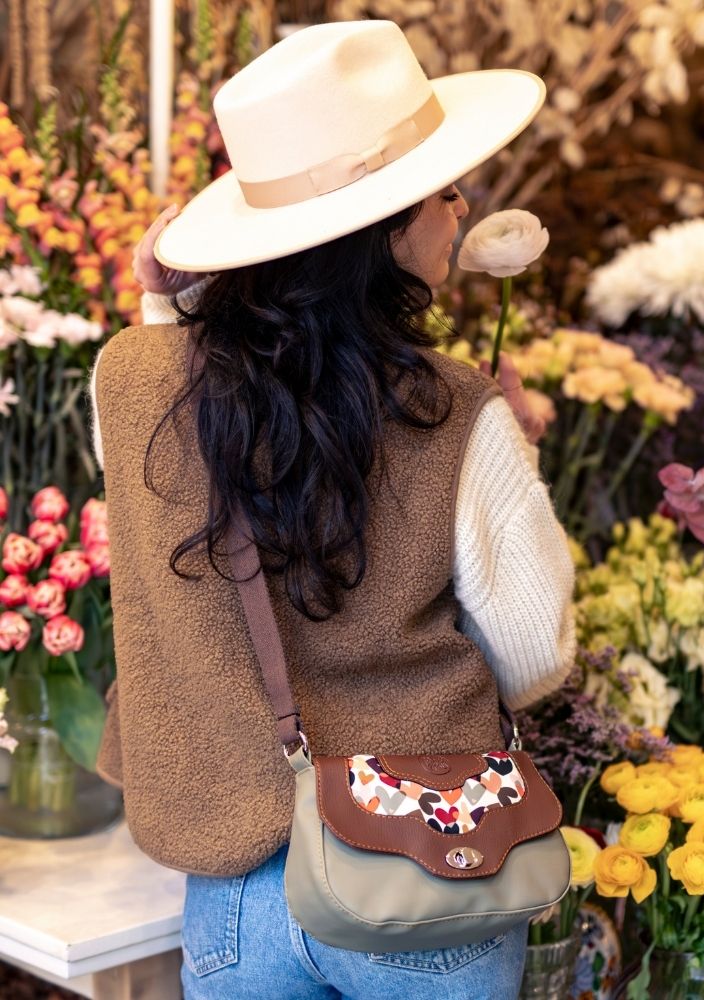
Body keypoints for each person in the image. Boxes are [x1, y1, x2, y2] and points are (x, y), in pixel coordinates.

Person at [89, 20, 575, 1000]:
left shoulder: (130, 381)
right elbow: (537, 656)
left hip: (232, 876)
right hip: (420, 865)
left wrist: (169, 304)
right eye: (443, 189)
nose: (463, 204)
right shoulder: (454, 412)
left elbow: (168, 433)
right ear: (386, 227)